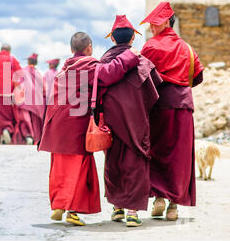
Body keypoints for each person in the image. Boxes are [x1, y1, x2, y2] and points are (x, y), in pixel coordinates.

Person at [38, 31, 140, 226]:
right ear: (89, 48)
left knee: (60, 166)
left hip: (56, 125)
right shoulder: (90, 66)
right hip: (76, 126)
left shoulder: (63, 70)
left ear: (71, 50)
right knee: (79, 167)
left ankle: (59, 204)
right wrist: (131, 55)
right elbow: (111, 72)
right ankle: (72, 211)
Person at [140, 2, 204, 221]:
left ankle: (158, 198)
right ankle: (173, 205)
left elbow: (141, 77)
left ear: (167, 22)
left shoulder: (151, 46)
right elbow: (197, 76)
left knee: (157, 150)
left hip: (158, 105)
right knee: (180, 155)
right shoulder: (187, 48)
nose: (151, 28)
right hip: (184, 106)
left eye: (154, 23)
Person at [100, 15, 163, 227]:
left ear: (112, 39)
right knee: (135, 163)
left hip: (112, 122)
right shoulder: (143, 62)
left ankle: (117, 208)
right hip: (137, 122)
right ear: (132, 39)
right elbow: (155, 93)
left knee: (113, 162)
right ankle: (132, 212)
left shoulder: (104, 62)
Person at [14, 53, 46, 145]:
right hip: (37, 100)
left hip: (24, 97)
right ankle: (36, 137)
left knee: (25, 118)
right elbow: (44, 89)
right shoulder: (39, 73)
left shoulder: (23, 71)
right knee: (35, 120)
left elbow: (18, 84)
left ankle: (28, 135)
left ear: (28, 61)